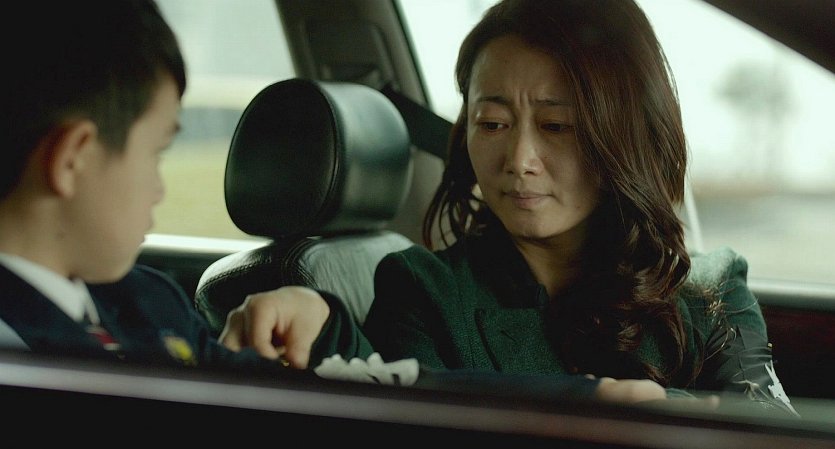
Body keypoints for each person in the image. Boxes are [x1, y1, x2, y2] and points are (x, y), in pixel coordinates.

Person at [232, 0, 798, 415]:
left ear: (624, 135)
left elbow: (768, 431)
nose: (520, 160)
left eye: (557, 125)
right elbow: (410, 407)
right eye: (493, 124)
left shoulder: (711, 291)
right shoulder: (424, 292)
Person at [0, 0, 348, 375]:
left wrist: (318, 322)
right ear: (72, 161)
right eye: (156, 152)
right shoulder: (24, 359)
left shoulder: (146, 301)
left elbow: (261, 386)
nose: (159, 191)